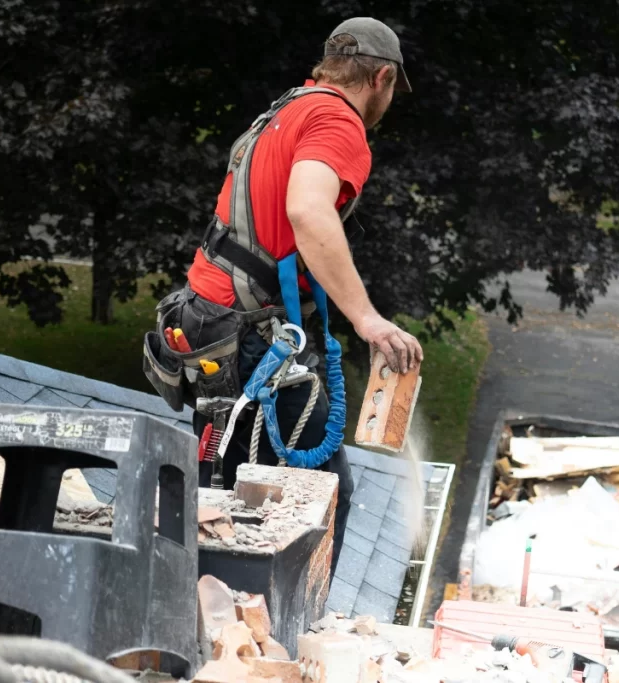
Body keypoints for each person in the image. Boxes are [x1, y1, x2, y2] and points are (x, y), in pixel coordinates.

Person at [174, 18, 423, 577]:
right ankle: (278, 627)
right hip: (249, 335)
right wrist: (367, 319)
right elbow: (308, 211)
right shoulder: (338, 121)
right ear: (382, 77)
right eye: (391, 89)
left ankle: (207, 609)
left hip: (208, 320)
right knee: (316, 498)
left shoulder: (287, 109)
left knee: (222, 490)